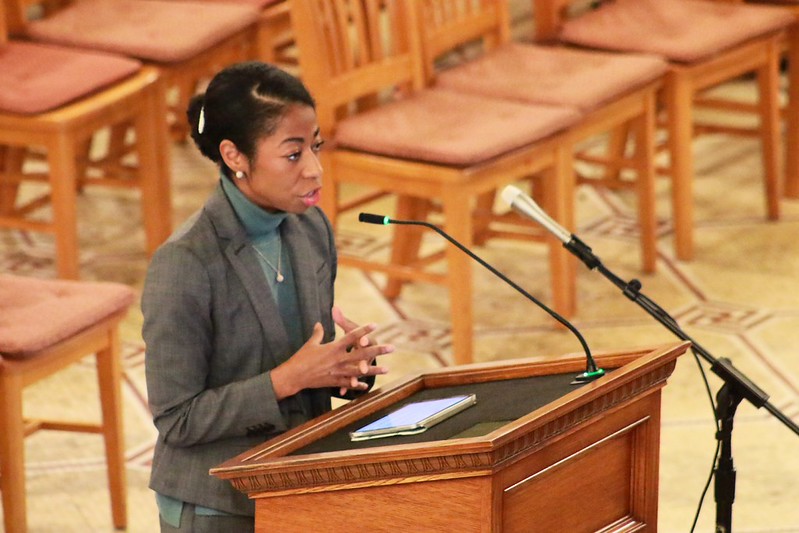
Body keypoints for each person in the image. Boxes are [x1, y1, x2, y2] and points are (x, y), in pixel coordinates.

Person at [142, 61, 394, 532]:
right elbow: (177, 420)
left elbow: (303, 363)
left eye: (316, 147)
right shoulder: (186, 262)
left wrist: (343, 369)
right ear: (235, 156)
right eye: (293, 155)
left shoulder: (310, 227)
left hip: (296, 483)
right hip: (217, 503)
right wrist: (286, 379)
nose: (316, 171)